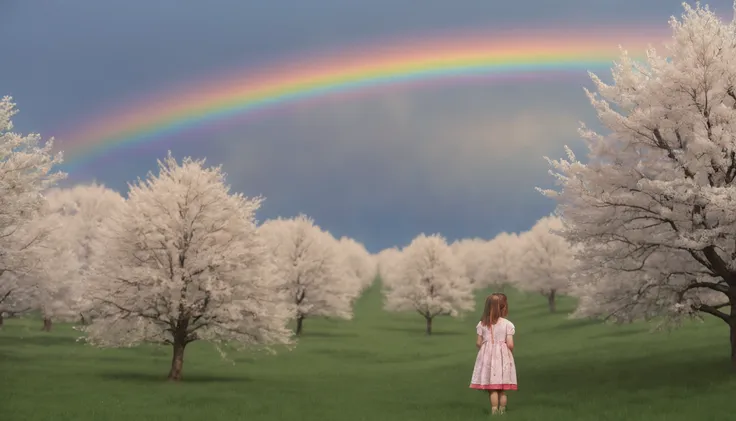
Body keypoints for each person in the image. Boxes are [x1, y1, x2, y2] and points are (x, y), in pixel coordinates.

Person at [469, 293, 517, 415]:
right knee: (502, 390)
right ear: (503, 307)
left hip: (488, 359)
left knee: (492, 389)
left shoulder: (482, 324)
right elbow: (510, 344)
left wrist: (487, 348)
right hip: (502, 358)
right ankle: (503, 410)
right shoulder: (507, 324)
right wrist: (507, 351)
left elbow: (478, 342)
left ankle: (494, 410)